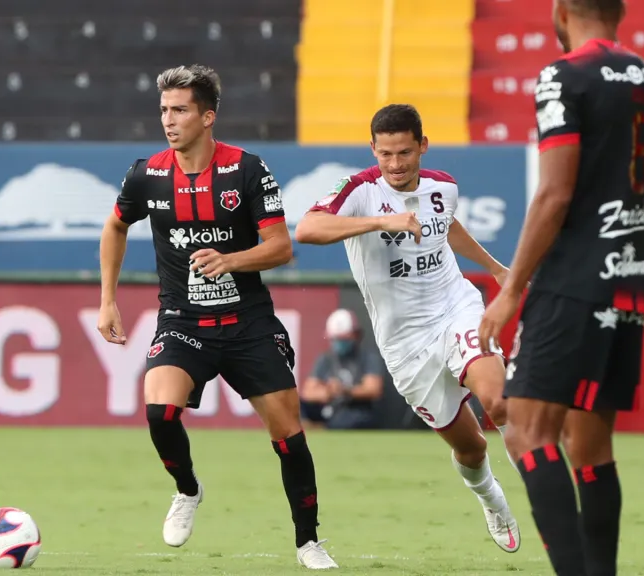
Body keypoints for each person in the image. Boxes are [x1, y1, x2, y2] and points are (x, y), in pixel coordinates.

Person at [97, 64, 337, 570]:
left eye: (180, 110)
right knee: (159, 411)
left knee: (288, 433)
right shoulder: (148, 173)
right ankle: (187, 490)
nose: (169, 119)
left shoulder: (247, 170)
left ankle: (308, 542)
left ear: (208, 117)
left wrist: (230, 259)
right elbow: (115, 227)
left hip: (247, 322)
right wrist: (107, 299)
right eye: (164, 110)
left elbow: (281, 247)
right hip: (182, 322)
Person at [477, 0, 644, 573]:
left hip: (571, 285)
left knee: (526, 432)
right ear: (620, 11)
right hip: (627, 288)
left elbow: (554, 194)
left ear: (560, 12)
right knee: (590, 447)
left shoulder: (564, 75)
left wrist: (513, 290)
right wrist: (617, 266)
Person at [295, 103, 521, 553]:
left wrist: (496, 267)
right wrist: (383, 219)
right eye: (385, 155)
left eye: (404, 153)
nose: (395, 165)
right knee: (471, 449)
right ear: (373, 151)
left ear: (423, 146)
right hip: (404, 343)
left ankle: (549, 494)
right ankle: (491, 498)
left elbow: (445, 227)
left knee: (498, 400)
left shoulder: (445, 186)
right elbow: (306, 229)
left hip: (454, 308)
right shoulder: (359, 190)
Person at [300, 309, 386, 430]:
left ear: (355, 335)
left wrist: (345, 391)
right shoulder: (325, 359)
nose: (339, 343)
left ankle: (323, 428)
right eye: (335, 339)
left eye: (344, 339)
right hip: (329, 408)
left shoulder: (368, 358)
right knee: (298, 407)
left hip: (355, 408)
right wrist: (327, 392)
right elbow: (308, 392)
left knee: (351, 419)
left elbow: (373, 389)